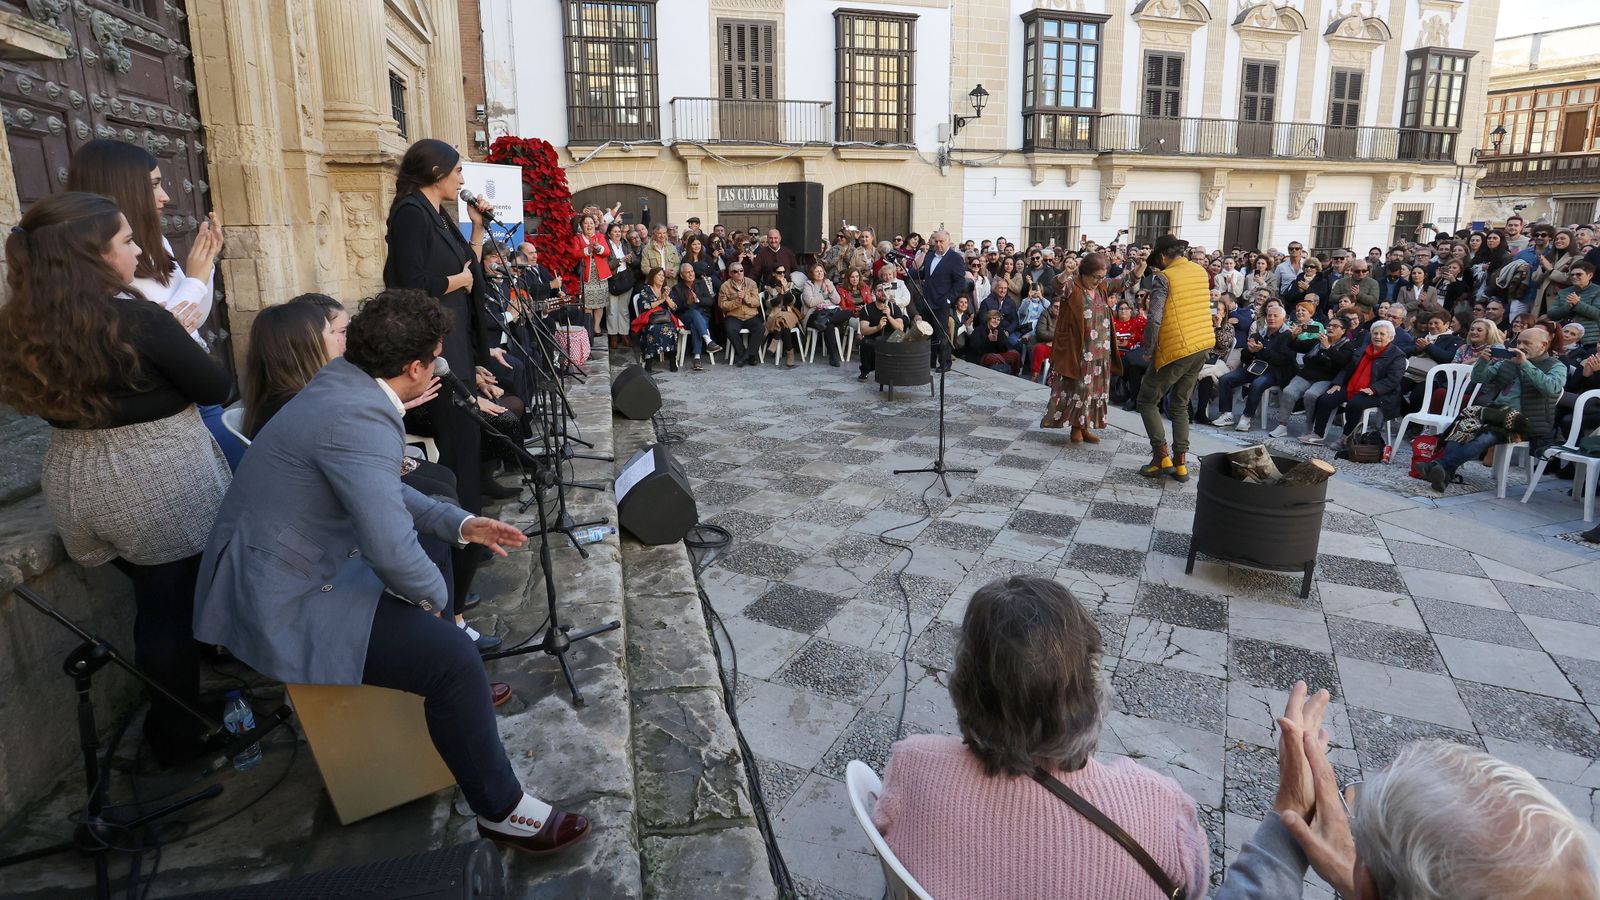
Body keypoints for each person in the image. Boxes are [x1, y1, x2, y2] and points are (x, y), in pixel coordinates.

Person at [194, 289, 587, 855]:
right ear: (414, 366)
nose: (440, 364)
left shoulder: (345, 387)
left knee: (436, 560)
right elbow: (387, 543)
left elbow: (389, 494)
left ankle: (459, 705)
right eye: (436, 354)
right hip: (284, 594)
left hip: (297, 564)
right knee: (451, 658)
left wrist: (460, 524)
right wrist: (438, 612)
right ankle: (501, 811)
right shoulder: (360, 414)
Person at [0, 192, 232, 767]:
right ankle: (179, 734)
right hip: (154, 479)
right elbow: (213, 387)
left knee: (157, 603)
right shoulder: (137, 318)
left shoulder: (23, 324)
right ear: (90, 257)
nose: (136, 251)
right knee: (166, 612)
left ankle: (178, 710)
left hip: (77, 479)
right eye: (126, 241)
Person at [873, 577, 1210, 900]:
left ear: (963, 686)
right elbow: (1195, 889)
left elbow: (888, 835)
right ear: (1093, 690)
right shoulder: (1162, 809)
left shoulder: (913, 763)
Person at [66, 138, 240, 469]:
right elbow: (153, 336)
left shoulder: (153, 242)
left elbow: (193, 322)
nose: (165, 197)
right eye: (154, 186)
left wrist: (205, 266)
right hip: (164, 413)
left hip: (197, 392)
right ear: (121, 188)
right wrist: (194, 281)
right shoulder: (95, 262)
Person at [1425, 325, 1564, 492]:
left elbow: (1551, 388)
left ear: (1544, 345)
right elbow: (1478, 377)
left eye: (1527, 343)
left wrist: (1526, 364)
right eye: (1519, 341)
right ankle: (1445, 472)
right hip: (1496, 414)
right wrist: (1483, 362)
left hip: (1526, 421)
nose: (1520, 347)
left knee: (1484, 437)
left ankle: (1439, 466)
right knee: (1463, 426)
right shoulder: (1508, 362)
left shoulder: (1556, 366)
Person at [1136, 234, 1214, 482]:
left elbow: (1155, 317)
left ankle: (1161, 457)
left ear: (1161, 256)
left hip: (1176, 348)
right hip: (1200, 345)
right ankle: (1181, 464)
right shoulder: (1200, 272)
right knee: (1180, 404)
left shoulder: (1164, 278)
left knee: (1147, 400)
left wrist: (1148, 348)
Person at [1041, 252, 1141, 443]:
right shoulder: (1073, 286)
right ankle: (1076, 428)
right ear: (1084, 273)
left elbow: (1125, 281)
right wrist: (1065, 273)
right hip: (1079, 350)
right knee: (1080, 390)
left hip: (1101, 351)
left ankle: (1086, 426)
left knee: (1096, 390)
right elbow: (1057, 285)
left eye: (1101, 276)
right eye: (1095, 277)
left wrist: (1142, 264)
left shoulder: (1103, 287)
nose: (1098, 280)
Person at [1302, 320, 1407, 449]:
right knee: (1326, 399)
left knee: (1355, 404)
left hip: (1380, 392)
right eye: (1375, 333)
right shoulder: (1364, 350)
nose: (1377, 337)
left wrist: (1373, 389)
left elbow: (1393, 380)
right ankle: (1317, 434)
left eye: (1382, 334)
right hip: (1353, 386)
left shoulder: (1397, 355)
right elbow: (1347, 368)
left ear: (1390, 337)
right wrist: (1338, 383)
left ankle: (1345, 437)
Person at [1213, 304, 1295, 433]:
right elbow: (1245, 359)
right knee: (1225, 379)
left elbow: (1283, 360)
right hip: (1255, 367)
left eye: (1275, 316)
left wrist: (1262, 350)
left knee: (1257, 384)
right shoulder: (1259, 334)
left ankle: (1246, 417)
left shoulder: (1287, 336)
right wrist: (1250, 351)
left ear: (1283, 319)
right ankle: (1227, 414)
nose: (1272, 318)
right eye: (1269, 315)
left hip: (1274, 371)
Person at [917, 229, 968, 371]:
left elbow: (959, 282)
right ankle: (930, 361)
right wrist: (908, 272)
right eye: (936, 241)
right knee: (927, 333)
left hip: (942, 301)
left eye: (941, 241)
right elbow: (924, 273)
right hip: (927, 299)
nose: (938, 244)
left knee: (942, 334)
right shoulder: (930, 255)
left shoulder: (955, 258)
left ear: (948, 241)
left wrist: (949, 299)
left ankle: (945, 363)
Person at [668, 262, 719, 371]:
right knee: (693, 313)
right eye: (688, 272)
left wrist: (698, 300)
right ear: (682, 276)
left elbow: (710, 302)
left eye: (692, 271)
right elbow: (676, 309)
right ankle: (708, 340)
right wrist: (688, 303)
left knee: (695, 323)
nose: (691, 274)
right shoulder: (677, 288)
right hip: (685, 316)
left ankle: (697, 358)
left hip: (702, 315)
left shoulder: (701, 283)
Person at [856, 278, 907, 381]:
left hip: (890, 338)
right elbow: (864, 330)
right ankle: (865, 370)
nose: (883, 292)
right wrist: (878, 327)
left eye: (885, 290)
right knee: (865, 342)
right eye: (879, 290)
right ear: (874, 292)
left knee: (900, 336)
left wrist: (889, 317)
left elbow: (900, 328)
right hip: (873, 338)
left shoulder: (894, 308)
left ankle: (890, 370)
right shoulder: (867, 309)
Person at [629, 266, 679, 373]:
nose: (662, 278)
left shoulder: (665, 289)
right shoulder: (645, 290)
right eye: (659, 275)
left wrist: (667, 298)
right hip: (650, 319)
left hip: (665, 319)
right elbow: (645, 306)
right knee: (653, 329)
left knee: (672, 328)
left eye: (663, 275)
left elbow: (674, 308)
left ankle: (672, 359)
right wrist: (661, 300)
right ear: (652, 277)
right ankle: (649, 361)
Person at [800, 262, 849, 367]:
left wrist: (831, 291)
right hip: (813, 315)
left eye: (821, 271)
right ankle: (833, 356)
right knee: (829, 327)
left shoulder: (828, 282)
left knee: (848, 313)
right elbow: (810, 302)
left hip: (829, 313)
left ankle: (826, 321)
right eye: (816, 271)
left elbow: (837, 301)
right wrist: (824, 294)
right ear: (812, 273)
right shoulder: (808, 285)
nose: (819, 273)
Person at [716, 260, 764, 366]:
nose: (739, 273)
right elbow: (722, 305)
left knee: (760, 328)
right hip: (734, 316)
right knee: (730, 329)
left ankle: (746, 355)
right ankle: (745, 354)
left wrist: (745, 297)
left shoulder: (751, 283)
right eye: (735, 271)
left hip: (751, 315)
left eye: (741, 270)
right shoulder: (725, 286)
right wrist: (736, 302)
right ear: (730, 274)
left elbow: (756, 302)